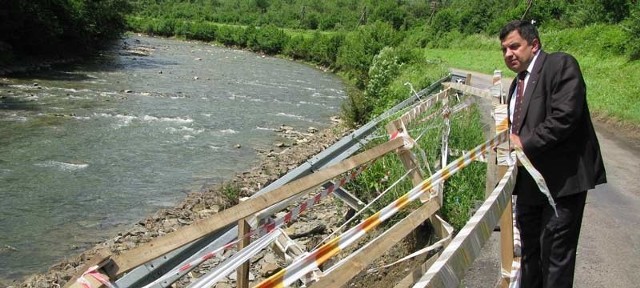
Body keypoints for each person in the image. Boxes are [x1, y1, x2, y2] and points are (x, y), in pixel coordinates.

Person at [499, 20, 607, 288]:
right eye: (504, 50)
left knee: (556, 259)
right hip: (528, 187)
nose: (508, 54)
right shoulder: (516, 85)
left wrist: (522, 142)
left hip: (562, 185)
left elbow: (565, 117)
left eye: (514, 46)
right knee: (530, 256)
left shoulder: (560, 66)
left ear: (534, 45)